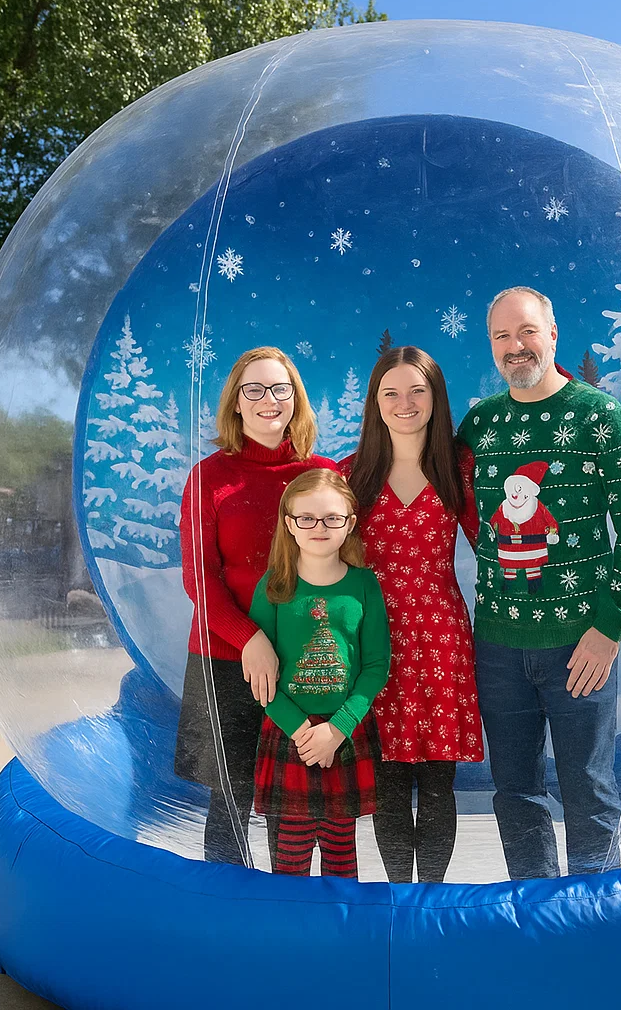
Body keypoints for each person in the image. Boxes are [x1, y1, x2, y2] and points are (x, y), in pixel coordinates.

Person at [457, 286, 621, 879]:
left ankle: (595, 925)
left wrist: (608, 628)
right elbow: (422, 471)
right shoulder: (482, 424)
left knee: (588, 792)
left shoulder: (598, 415)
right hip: (497, 644)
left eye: (526, 332)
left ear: (552, 334)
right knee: (515, 793)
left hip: (580, 644)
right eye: (501, 336)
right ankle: (535, 918)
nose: (515, 346)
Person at [174, 347, 337, 867]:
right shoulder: (208, 478)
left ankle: (289, 916)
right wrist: (250, 639)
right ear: (236, 404)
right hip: (225, 660)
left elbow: (340, 568)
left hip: (305, 664)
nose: (269, 400)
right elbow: (200, 577)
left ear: (296, 400)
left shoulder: (322, 474)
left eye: (280, 389)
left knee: (297, 807)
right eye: (255, 390)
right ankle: (227, 919)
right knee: (231, 800)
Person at [341, 346, 483, 883]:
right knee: (390, 779)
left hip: (441, 636)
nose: (405, 403)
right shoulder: (350, 474)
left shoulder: (458, 466)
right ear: (375, 402)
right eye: (391, 392)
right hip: (374, 641)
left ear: (435, 397)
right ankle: (402, 896)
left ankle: (432, 896)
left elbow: (495, 544)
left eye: (417, 390)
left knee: (439, 780)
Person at [249, 469, 390, 877]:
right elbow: (262, 677)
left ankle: (341, 936)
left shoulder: (364, 585)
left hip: (343, 735)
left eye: (332, 518)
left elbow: (376, 665)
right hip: (289, 733)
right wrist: (299, 730)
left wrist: (338, 729)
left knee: (341, 853)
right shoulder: (274, 586)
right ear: (289, 523)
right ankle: (292, 936)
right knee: (289, 858)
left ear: (350, 522)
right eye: (306, 518)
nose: (319, 527)